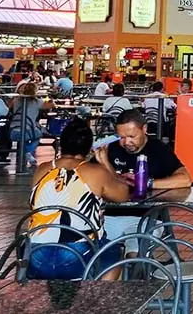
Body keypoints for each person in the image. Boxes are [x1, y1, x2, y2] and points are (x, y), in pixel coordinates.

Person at [28, 118, 130, 280]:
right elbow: (123, 195)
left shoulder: (43, 169)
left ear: (61, 144)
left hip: (35, 257)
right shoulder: (94, 172)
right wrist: (105, 163)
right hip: (77, 257)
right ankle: (97, 299)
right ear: (89, 148)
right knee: (113, 252)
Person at [103, 109, 192, 254]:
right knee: (96, 251)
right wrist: (104, 164)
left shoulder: (158, 150)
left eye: (132, 136)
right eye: (121, 137)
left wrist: (146, 183)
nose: (126, 142)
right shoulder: (110, 149)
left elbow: (185, 179)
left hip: (146, 217)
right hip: (111, 216)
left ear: (144, 129)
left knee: (135, 256)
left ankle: (135, 275)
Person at [0, 82, 51, 167]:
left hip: (13, 131)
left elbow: (7, 108)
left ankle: (11, 153)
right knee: (39, 134)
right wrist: (51, 100)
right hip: (28, 131)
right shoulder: (38, 102)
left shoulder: (16, 100)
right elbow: (50, 105)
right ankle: (27, 151)